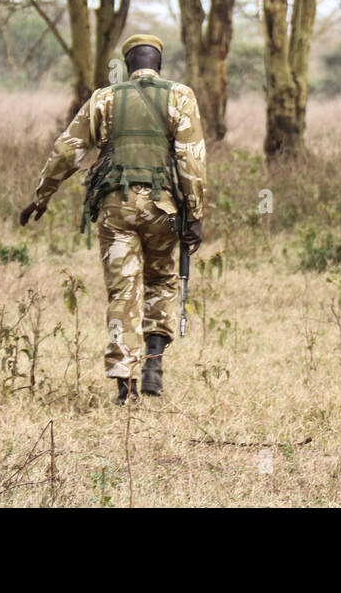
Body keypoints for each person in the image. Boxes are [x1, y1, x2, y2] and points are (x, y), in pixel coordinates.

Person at [19, 34, 205, 404]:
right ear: (158, 66)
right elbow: (191, 158)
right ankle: (153, 364)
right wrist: (195, 214)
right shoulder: (180, 95)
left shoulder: (104, 98)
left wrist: (43, 195)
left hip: (115, 209)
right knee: (162, 281)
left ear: (128, 65)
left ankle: (126, 387)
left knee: (124, 291)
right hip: (163, 208)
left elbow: (67, 151)